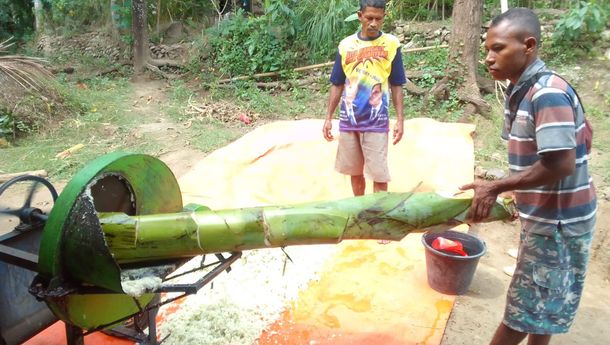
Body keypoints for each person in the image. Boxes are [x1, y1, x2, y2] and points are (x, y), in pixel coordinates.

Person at [460, 8, 596, 345]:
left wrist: (497, 186)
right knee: (543, 306)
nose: (489, 58)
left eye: (499, 49)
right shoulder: (526, 89)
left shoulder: (546, 93)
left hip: (558, 225)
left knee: (521, 313)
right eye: (487, 49)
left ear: (529, 46)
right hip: (551, 219)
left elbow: (560, 164)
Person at [322, 0, 406, 196]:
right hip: (349, 120)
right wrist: (328, 117)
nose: (373, 23)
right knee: (355, 173)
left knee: (379, 176)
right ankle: (361, 217)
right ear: (360, 16)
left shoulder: (391, 45)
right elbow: (337, 83)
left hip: (377, 121)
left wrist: (400, 120)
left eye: (378, 18)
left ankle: (378, 220)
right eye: (369, 18)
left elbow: (397, 84)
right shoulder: (346, 46)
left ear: (384, 17)